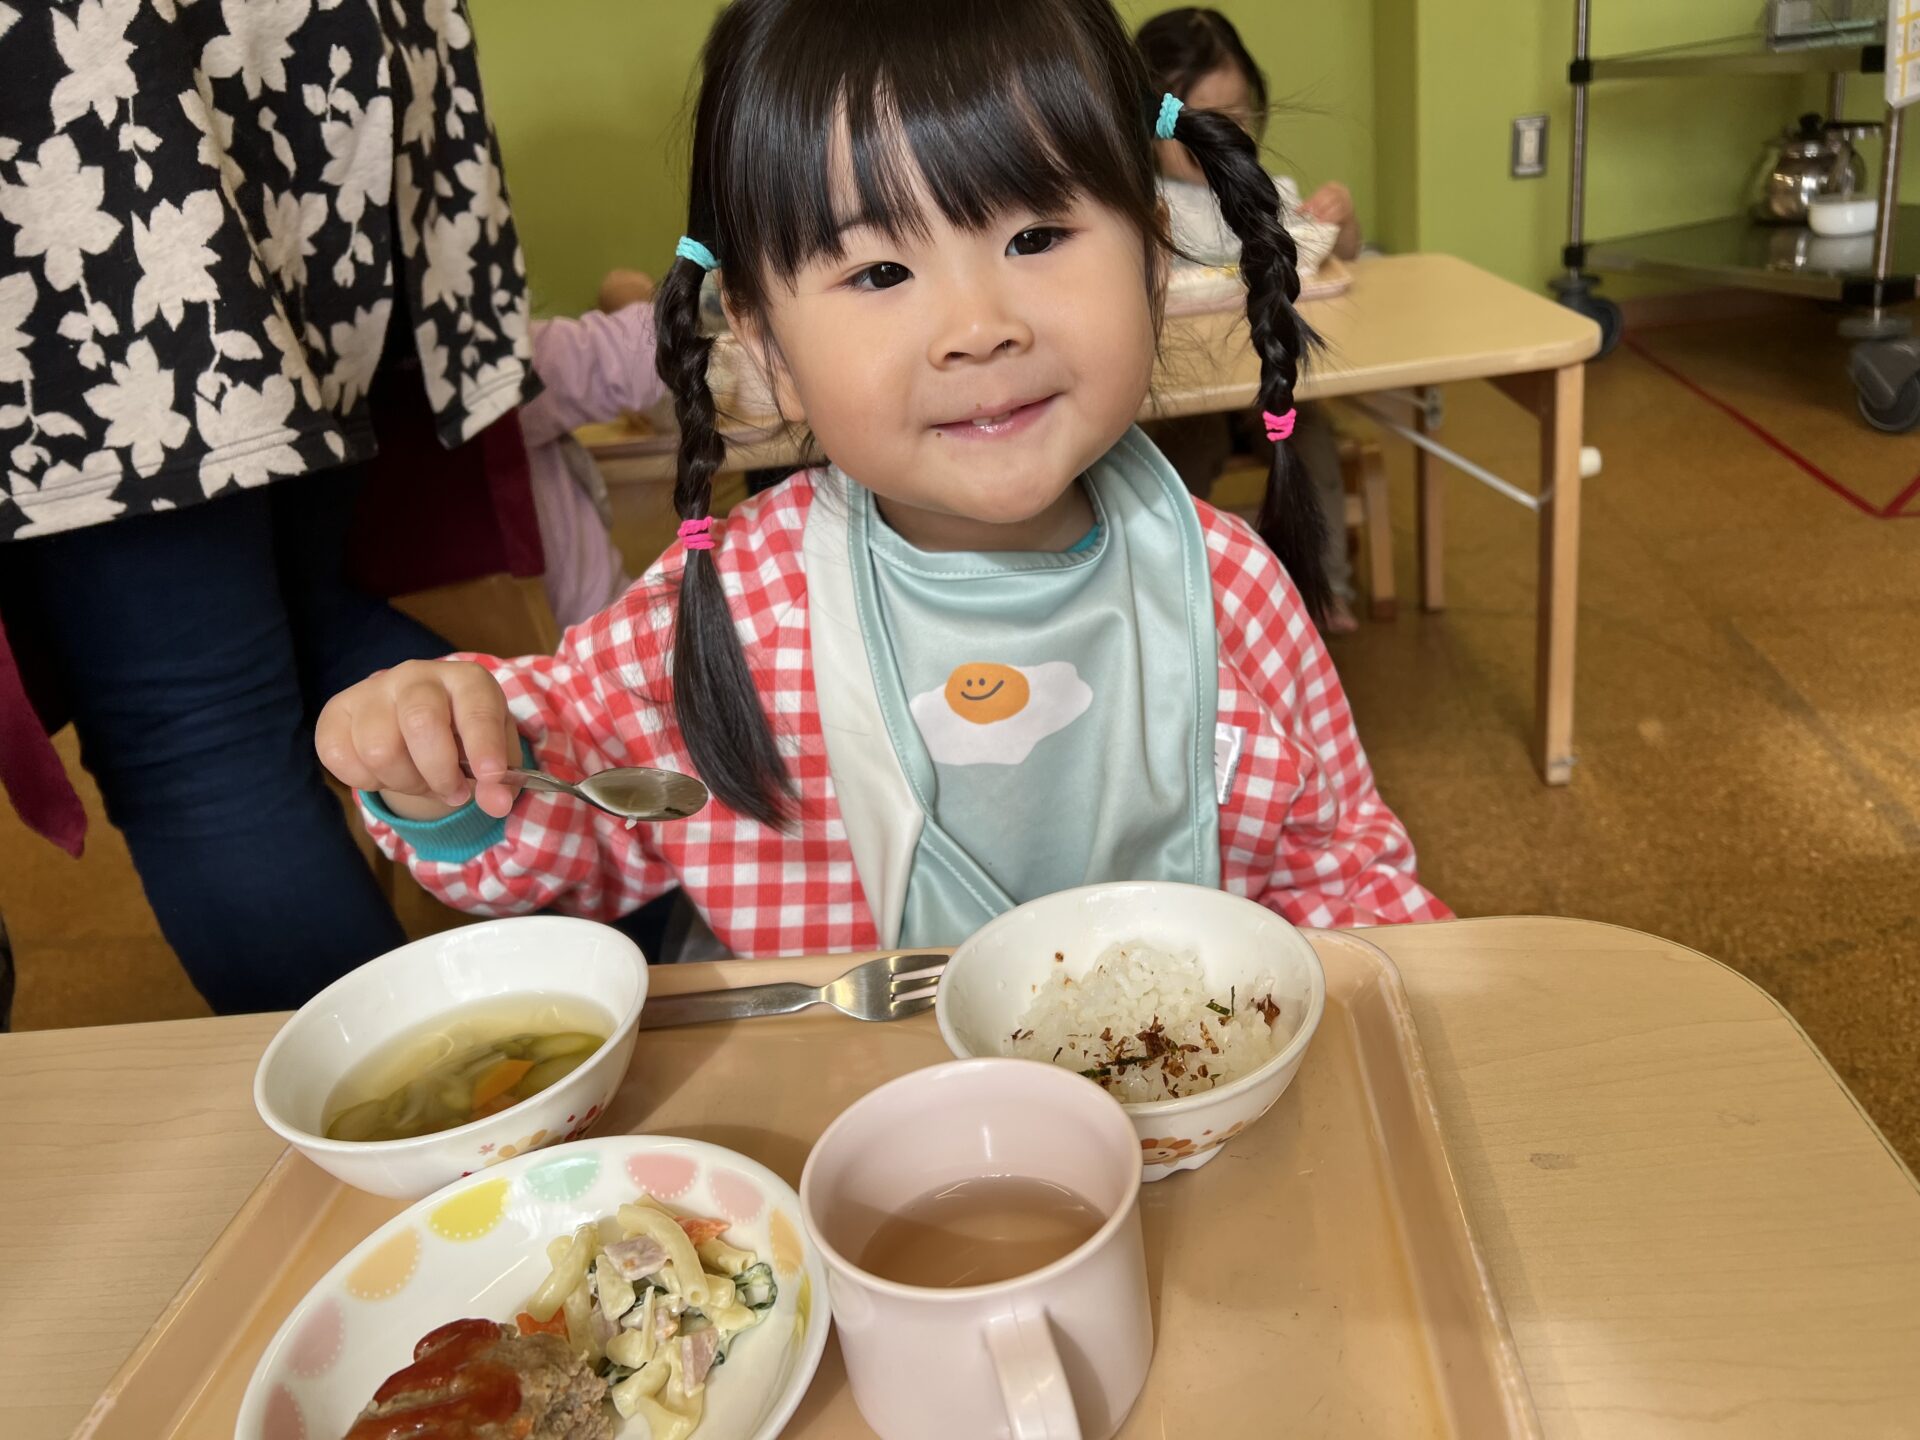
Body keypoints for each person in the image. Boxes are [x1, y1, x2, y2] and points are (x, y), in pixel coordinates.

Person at [315, 0, 1446, 958]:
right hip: (849, 1126)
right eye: (880, 270)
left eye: (1037, 237)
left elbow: (1341, 872)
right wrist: (446, 757)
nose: (978, 327)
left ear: (1154, 255)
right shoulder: (737, 610)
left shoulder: (1225, 585)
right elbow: (572, 825)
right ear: (766, 343)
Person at [0, 0, 537, 1011]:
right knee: (304, 616)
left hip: (93, 87)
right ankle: (662, 924)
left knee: (195, 725)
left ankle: (415, 1097)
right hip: (298, 61)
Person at [1137, 6, 1363, 633]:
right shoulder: (1142, 205)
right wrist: (1143, 244)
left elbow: (1339, 260)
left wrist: (1342, 219)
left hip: (1272, 380)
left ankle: (1325, 587)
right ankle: (1186, 603)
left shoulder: (1267, 191)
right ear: (1147, 124)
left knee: (1309, 446)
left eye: (1233, 116)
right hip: (1188, 391)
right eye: (1191, 120)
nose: (1215, 135)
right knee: (1176, 463)